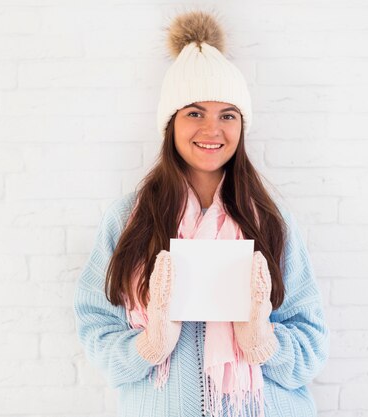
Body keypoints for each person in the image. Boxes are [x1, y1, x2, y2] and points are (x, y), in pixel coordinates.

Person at [73, 10, 329, 417]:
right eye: (194, 113)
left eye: (227, 115)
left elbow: (312, 344)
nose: (212, 130)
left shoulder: (270, 220)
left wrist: (263, 341)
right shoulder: (128, 220)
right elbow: (95, 327)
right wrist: (149, 345)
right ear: (170, 124)